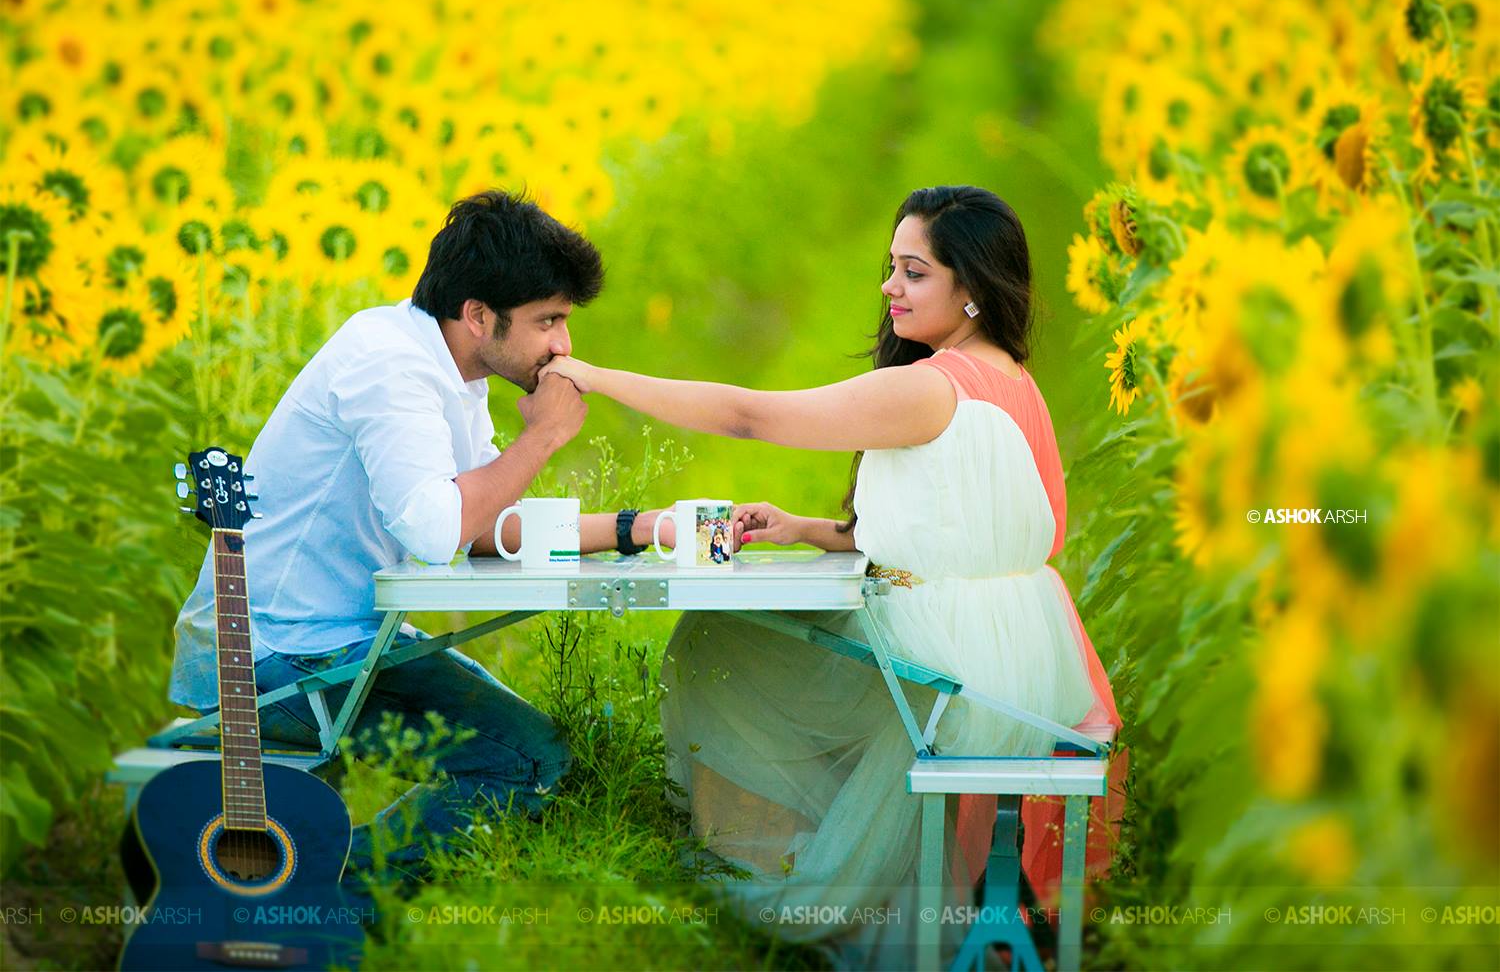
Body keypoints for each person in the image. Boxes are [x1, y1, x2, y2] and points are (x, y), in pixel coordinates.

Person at [541, 185, 1125, 965]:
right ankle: (874, 894)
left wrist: (594, 376)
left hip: (954, 660)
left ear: (973, 289)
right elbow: (966, 533)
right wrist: (809, 530)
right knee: (764, 652)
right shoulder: (1013, 381)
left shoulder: (932, 386)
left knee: (718, 650)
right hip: (1024, 651)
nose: (889, 288)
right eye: (891, 267)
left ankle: (796, 887)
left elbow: (750, 415)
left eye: (913, 272)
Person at [167, 189, 670, 883]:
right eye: (548, 320)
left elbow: (484, 523)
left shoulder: (448, 368)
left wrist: (640, 529)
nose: (564, 345)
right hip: (279, 652)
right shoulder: (390, 368)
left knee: (542, 753)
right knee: (527, 763)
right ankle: (330, 910)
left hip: (336, 637)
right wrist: (546, 435)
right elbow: (441, 530)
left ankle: (318, 896)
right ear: (477, 315)